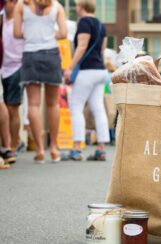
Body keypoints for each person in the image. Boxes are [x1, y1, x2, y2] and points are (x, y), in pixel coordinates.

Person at [14, 0, 67, 163]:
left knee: (33, 104)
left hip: (30, 54)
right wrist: (50, 35)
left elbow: (16, 33)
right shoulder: (57, 6)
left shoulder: (21, 5)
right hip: (51, 54)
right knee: (53, 104)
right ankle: (54, 148)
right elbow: (64, 33)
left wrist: (31, 35)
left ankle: (40, 150)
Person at [63, 0, 109, 161]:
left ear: (81, 7)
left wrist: (69, 68)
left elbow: (81, 47)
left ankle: (76, 148)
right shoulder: (101, 25)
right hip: (101, 71)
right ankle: (101, 148)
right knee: (98, 108)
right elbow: (102, 50)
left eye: (76, 5)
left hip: (87, 71)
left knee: (76, 106)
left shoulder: (84, 22)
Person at [2, 0, 25, 155]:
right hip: (2, 67)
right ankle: (9, 142)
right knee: (5, 107)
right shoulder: (1, 17)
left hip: (17, 67)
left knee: (12, 107)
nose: (13, 4)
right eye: (10, 1)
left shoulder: (22, 20)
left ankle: (14, 144)